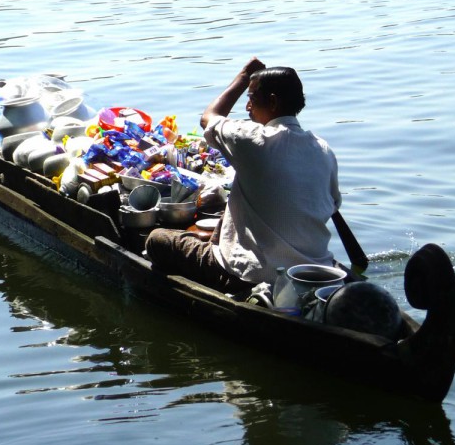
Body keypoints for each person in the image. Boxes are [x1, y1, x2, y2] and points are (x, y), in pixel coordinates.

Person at [145, 58, 341, 296]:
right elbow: (331, 205)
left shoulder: (252, 138)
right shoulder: (323, 149)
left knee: (157, 240)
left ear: (272, 101)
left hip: (251, 274)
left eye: (251, 98)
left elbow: (209, 117)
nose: (247, 107)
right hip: (314, 270)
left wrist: (244, 75)